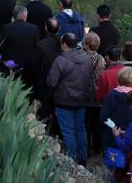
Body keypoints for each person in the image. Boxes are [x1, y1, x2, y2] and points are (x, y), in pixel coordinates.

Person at [47, 32, 93, 166]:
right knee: (81, 129)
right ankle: (83, 159)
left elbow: (51, 81)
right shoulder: (87, 59)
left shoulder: (60, 60)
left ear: (64, 44)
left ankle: (72, 161)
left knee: (68, 132)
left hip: (64, 100)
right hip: (81, 100)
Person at [29, 18, 61, 122]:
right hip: (61, 84)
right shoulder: (63, 45)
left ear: (46, 28)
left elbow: (33, 64)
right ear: (59, 29)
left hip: (44, 82)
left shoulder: (41, 45)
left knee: (44, 111)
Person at [0, 5, 39, 79]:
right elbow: (36, 48)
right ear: (25, 15)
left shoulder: (6, 27)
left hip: (8, 67)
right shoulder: (34, 29)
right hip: (26, 68)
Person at [98, 66, 132, 149]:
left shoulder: (111, 95)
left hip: (112, 134)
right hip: (130, 134)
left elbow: (103, 117)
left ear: (118, 78)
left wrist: (113, 128)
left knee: (113, 159)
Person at [82, 32, 106, 155]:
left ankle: (85, 147)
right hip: (96, 96)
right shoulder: (100, 59)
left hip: (83, 94)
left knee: (85, 124)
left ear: (86, 43)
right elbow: (99, 78)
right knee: (96, 124)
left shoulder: (80, 56)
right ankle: (97, 148)